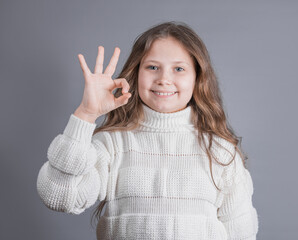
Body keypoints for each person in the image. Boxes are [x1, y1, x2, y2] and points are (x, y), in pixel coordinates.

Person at [36, 21, 259, 240]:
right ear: (137, 73)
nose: (164, 79)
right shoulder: (113, 145)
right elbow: (60, 197)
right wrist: (86, 113)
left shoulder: (220, 152)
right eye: (153, 67)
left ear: (197, 78)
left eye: (179, 69)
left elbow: (241, 233)